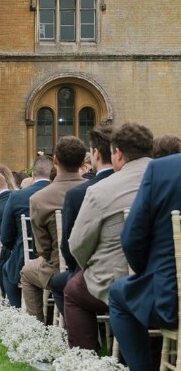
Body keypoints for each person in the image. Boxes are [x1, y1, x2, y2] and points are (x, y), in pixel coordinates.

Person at [65, 122, 154, 351]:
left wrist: (89, 265)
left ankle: (87, 358)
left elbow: (78, 244)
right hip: (168, 277)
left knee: (73, 289)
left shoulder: (101, 189)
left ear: (119, 154)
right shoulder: (168, 180)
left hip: (119, 278)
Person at [108, 153, 181, 371]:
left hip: (171, 298)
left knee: (118, 294)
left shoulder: (162, 170)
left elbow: (131, 237)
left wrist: (144, 273)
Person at [49, 126, 115, 315]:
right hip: (134, 271)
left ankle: (78, 338)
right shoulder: (137, 186)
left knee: (64, 284)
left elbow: (70, 246)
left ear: (95, 154)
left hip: (92, 273)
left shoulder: (78, 194)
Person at [20, 135, 86, 322]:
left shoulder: (39, 198)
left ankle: (38, 326)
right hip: (93, 266)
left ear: (55, 160)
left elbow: (43, 250)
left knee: (26, 271)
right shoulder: (95, 189)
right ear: (83, 162)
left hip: (58, 266)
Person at [0, 154, 53, 307]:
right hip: (61, 259)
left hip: (25, 257)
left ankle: (17, 310)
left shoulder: (17, 197)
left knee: (7, 269)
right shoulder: (64, 193)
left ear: (33, 175)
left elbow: (6, 236)